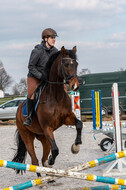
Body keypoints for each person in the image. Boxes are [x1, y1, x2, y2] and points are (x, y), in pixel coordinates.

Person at [24, 28, 58, 126]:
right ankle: (29, 117)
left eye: (54, 38)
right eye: (52, 37)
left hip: (47, 77)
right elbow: (31, 66)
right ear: (45, 39)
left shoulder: (55, 51)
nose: (54, 40)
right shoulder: (37, 51)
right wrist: (40, 76)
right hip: (34, 76)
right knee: (32, 94)